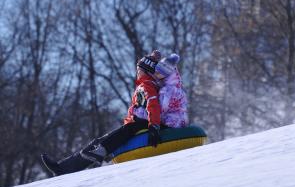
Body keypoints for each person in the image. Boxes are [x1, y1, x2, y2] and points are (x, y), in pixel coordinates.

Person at [41, 50, 188, 177]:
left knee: (107, 140)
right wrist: (152, 57)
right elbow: (149, 66)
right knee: (98, 143)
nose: (137, 72)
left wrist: (154, 127)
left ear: (145, 72)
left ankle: (80, 160)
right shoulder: (146, 84)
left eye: (139, 70)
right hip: (136, 122)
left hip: (139, 124)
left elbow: (153, 105)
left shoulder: (147, 86)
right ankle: (62, 168)